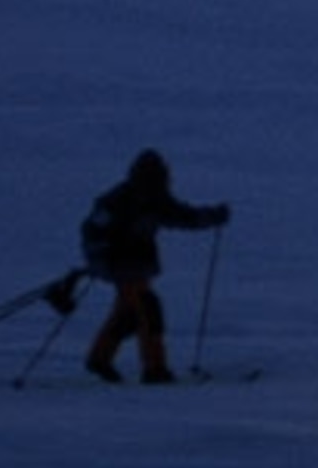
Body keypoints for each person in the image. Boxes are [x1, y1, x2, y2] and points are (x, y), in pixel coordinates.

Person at [77, 149, 231, 384]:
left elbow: (183, 216)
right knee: (148, 309)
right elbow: (92, 231)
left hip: (138, 265)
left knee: (129, 313)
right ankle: (155, 369)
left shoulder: (157, 199)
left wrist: (212, 216)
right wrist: (100, 260)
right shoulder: (117, 200)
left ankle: (100, 359)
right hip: (119, 265)